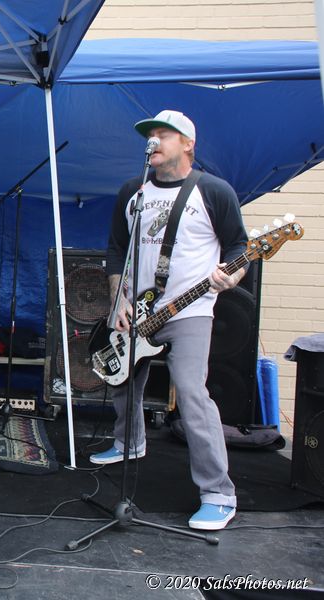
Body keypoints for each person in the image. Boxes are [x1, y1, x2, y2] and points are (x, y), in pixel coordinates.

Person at [90, 110, 247, 531]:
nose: (153, 141)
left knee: (192, 393)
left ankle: (219, 492)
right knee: (123, 379)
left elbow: (239, 247)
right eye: (150, 135)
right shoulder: (133, 191)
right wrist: (118, 299)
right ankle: (129, 443)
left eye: (164, 134)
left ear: (188, 144)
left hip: (190, 309)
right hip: (138, 307)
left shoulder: (213, 191)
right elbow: (116, 248)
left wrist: (231, 275)